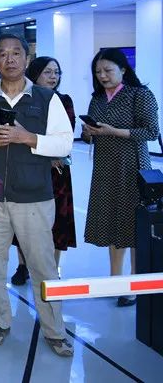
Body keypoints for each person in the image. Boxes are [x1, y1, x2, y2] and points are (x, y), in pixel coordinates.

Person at [0, 34, 74, 357]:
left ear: (27, 59)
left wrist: (28, 137)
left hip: (35, 197)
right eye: (2, 54)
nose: (9, 59)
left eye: (15, 53)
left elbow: (65, 142)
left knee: (43, 267)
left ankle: (55, 330)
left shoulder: (46, 98)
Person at [82, 48, 159, 307]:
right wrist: (89, 133)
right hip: (105, 168)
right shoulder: (97, 99)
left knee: (133, 225)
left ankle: (134, 284)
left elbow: (151, 131)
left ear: (123, 70)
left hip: (132, 167)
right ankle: (115, 280)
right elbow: (91, 135)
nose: (102, 76)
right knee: (111, 222)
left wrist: (115, 131)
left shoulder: (140, 95)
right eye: (98, 72)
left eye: (108, 70)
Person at [10, 57, 77, 285]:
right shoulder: (22, 99)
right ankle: (23, 265)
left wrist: (48, 151)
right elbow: (15, 134)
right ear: (35, 74)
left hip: (57, 173)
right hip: (27, 168)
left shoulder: (63, 101)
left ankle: (53, 267)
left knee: (57, 221)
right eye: (48, 72)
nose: (53, 77)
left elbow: (66, 135)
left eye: (56, 72)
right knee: (23, 219)